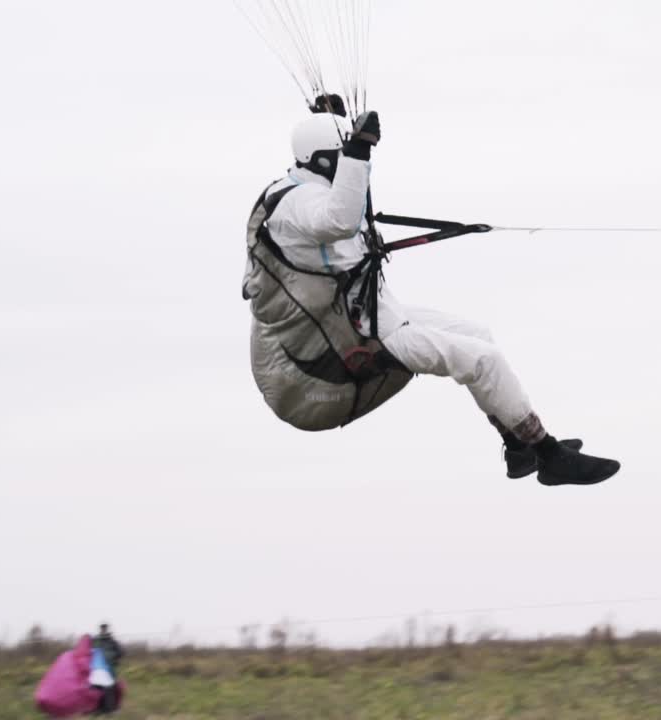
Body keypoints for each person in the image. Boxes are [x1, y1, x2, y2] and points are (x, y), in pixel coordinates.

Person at [246, 99, 620, 486]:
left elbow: (343, 202)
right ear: (326, 160)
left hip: (372, 312)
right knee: (482, 360)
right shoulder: (299, 203)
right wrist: (359, 150)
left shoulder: (307, 185)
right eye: (341, 157)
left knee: (478, 335)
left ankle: (517, 446)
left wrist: (334, 117)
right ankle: (548, 454)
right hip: (361, 334)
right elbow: (339, 220)